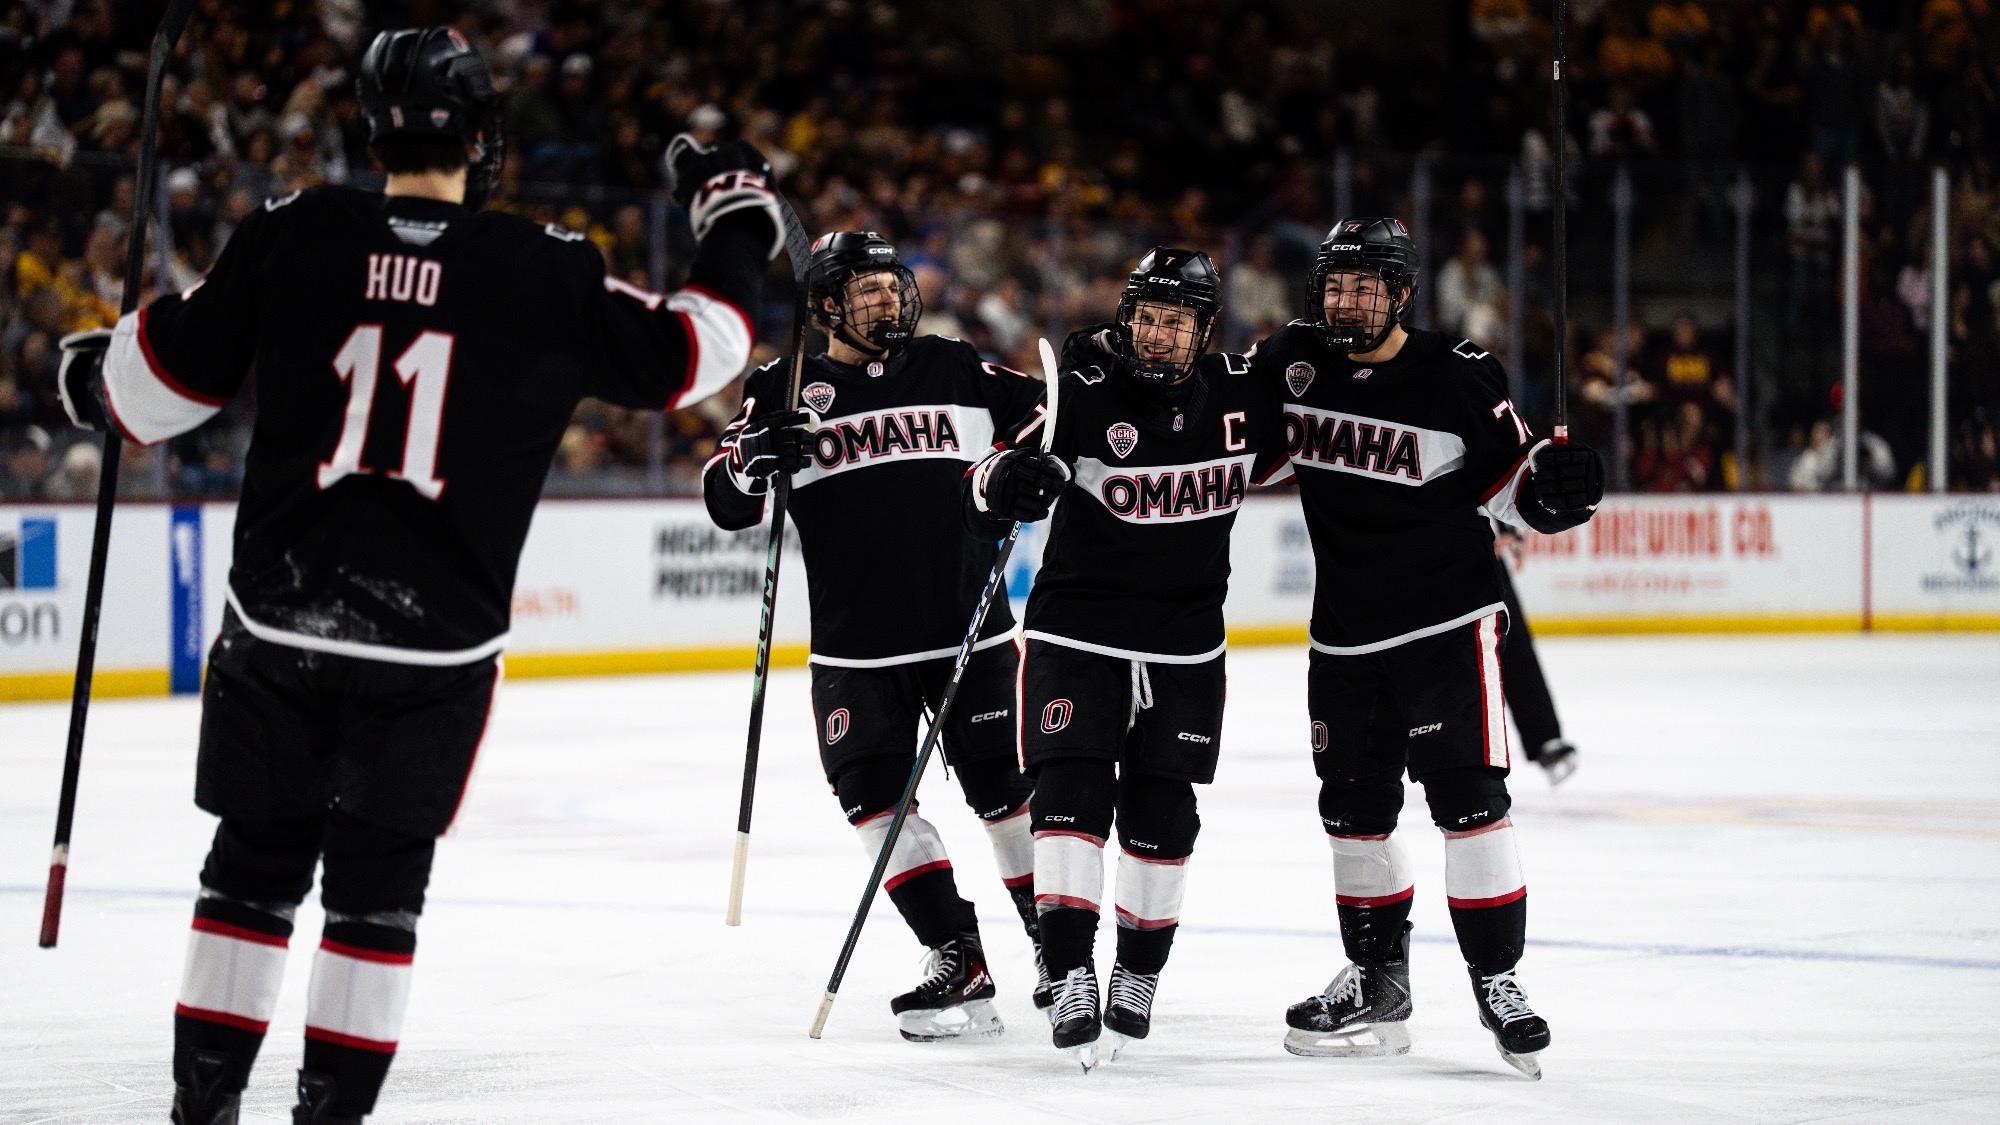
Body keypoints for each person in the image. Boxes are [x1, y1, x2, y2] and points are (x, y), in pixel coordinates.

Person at [56, 28, 780, 1124]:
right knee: (376, 898)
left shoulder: (291, 232)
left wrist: (86, 378)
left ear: (370, 124)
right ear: (483, 137)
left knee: (249, 870)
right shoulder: (542, 267)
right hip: (435, 647)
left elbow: (154, 392)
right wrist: (733, 214)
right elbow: (704, 349)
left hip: (279, 623)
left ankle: (201, 1108)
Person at [1249, 218, 1602, 1079]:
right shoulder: (1292, 364)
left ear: (1402, 293)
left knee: (1471, 801)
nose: (1351, 298)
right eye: (1339, 283)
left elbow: (1516, 490)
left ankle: (1499, 980)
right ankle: (1376, 979)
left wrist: (1555, 495)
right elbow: (1233, 449)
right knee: (1354, 814)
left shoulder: (1457, 374)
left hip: (1448, 627)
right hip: (1344, 639)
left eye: (1370, 284)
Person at [701, 231, 1051, 1042]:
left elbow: (1051, 422)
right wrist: (754, 458)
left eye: (892, 287)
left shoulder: (956, 365)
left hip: (970, 629)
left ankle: (1055, 948)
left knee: (1006, 794)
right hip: (855, 648)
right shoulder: (782, 383)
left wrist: (1020, 471)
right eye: (865, 291)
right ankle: (954, 954)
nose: (887, 301)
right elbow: (726, 498)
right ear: (825, 304)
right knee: (874, 805)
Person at [965, 248, 1289, 1069]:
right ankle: (1070, 967)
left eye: (1175, 320)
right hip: (1080, 633)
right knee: (1069, 794)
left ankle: (1137, 974)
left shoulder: (1246, 400)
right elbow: (995, 465)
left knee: (1164, 815)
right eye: (1145, 314)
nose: (1155, 333)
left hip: (1186, 644)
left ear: (1205, 330)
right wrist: (1006, 482)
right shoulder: (1087, 387)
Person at [1493, 528, 1578, 784]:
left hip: (1480, 550)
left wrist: (1508, 529)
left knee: (1513, 641)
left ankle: (1544, 738)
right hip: (1420, 547)